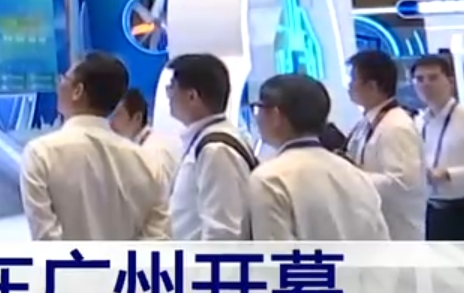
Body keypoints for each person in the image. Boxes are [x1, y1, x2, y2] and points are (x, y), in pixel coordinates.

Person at [20, 52, 169, 239]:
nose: (59, 84)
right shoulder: (148, 163)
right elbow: (158, 240)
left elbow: (46, 238)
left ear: (77, 91)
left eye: (64, 78)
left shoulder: (41, 154)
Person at [249, 73, 389, 240]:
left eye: (258, 109)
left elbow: (276, 252)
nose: (256, 117)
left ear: (275, 115)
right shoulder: (356, 175)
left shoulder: (269, 179)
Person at [163, 54, 254, 240]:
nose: (169, 95)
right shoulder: (204, 141)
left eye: (172, 88)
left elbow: (223, 233)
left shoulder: (217, 150)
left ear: (192, 96)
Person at [348, 49, 426, 240]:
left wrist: (350, 179)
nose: (349, 86)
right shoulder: (367, 122)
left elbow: (402, 182)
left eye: (353, 80)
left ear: (372, 86)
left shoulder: (396, 126)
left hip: (398, 233)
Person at [411, 53, 464, 240]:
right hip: (429, 210)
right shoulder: (417, 122)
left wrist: (449, 174)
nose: (426, 84)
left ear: (450, 82)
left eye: (433, 78)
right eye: (419, 79)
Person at [111, 86, 180, 190]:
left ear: (137, 117)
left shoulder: (155, 150)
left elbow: (159, 194)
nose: (111, 123)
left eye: (118, 115)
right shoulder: (137, 147)